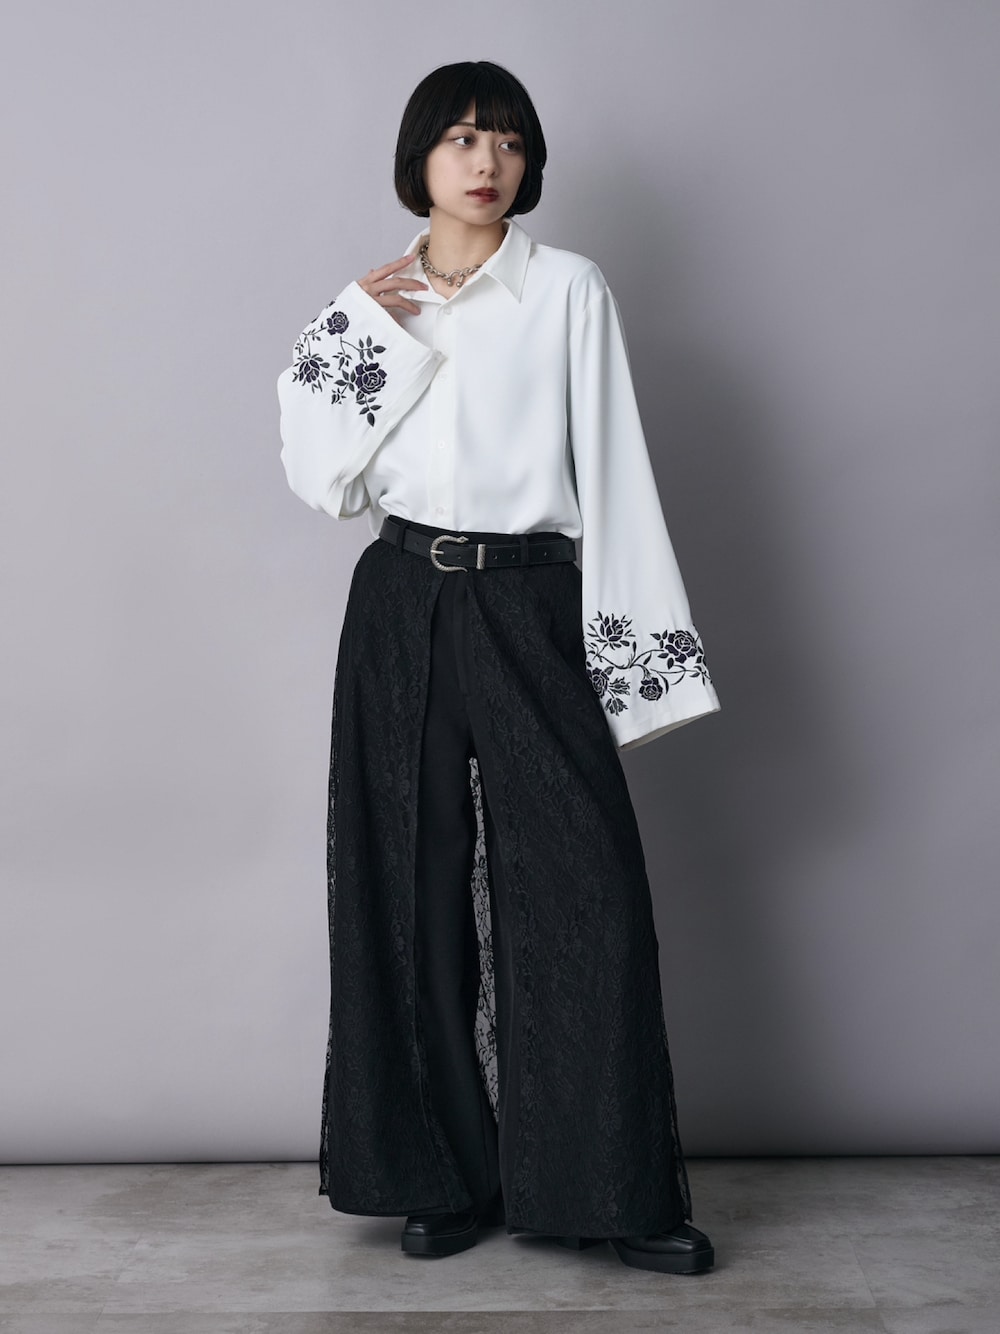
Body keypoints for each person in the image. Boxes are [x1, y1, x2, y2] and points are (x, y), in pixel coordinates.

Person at [276, 60, 721, 1275]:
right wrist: (364, 326)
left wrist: (637, 669)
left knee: (581, 886)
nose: (487, 161)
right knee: (410, 886)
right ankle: (441, 1173)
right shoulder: (375, 304)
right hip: (401, 600)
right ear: (420, 157)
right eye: (463, 138)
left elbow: (615, 473)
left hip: (529, 598)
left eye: (510, 142)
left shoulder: (567, 288)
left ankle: (606, 1189)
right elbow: (320, 475)